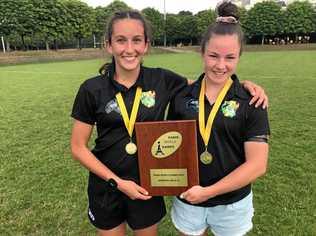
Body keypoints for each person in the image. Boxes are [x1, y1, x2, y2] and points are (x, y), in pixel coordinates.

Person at [70, 9, 268, 236]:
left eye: (136, 40)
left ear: (146, 45)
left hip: (147, 185)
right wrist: (118, 182)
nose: (129, 49)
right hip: (107, 186)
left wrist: (244, 87)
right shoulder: (91, 89)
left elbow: (206, 84)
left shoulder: (162, 79)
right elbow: (78, 147)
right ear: (109, 45)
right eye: (120, 40)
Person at [168, 2, 270, 236]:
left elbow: (257, 164)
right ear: (202, 52)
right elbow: (170, 144)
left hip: (232, 204)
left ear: (239, 57)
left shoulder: (252, 100)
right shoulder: (181, 97)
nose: (220, 65)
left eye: (230, 57)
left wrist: (209, 191)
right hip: (189, 198)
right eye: (213, 55)